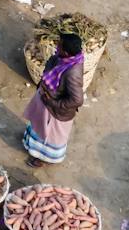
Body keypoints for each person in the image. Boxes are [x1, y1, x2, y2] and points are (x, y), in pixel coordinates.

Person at [22, 29, 85, 164]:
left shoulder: (73, 73)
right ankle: (31, 143)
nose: (57, 47)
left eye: (60, 46)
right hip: (46, 101)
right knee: (38, 125)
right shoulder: (62, 59)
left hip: (55, 111)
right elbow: (50, 69)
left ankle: (42, 157)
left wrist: (54, 103)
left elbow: (77, 99)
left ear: (66, 52)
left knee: (49, 136)